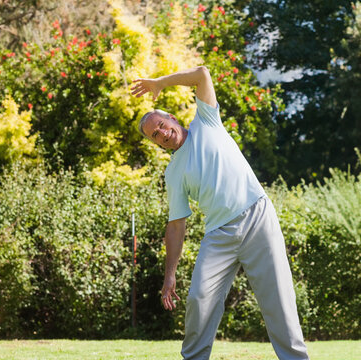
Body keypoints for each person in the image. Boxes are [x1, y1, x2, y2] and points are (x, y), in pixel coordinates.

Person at [130, 66, 309, 360]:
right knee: (199, 298)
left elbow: (202, 73)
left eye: (161, 125)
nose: (161, 133)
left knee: (278, 300)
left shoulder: (206, 121)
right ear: (155, 143)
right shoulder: (173, 173)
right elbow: (175, 226)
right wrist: (170, 275)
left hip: (257, 217)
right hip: (219, 236)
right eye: (154, 135)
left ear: (171, 118)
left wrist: (159, 83)